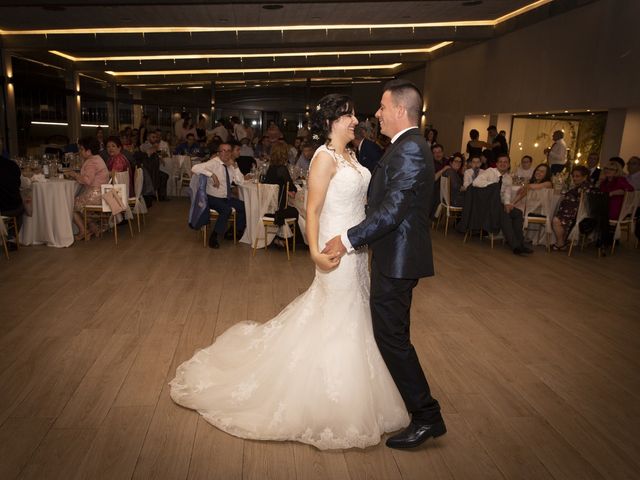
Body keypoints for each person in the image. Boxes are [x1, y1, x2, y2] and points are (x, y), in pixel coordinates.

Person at [171, 92, 410, 450]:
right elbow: (311, 210)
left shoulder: (353, 154)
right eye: (348, 115)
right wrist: (313, 251)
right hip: (333, 247)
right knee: (338, 314)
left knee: (356, 313)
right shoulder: (323, 158)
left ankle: (359, 388)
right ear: (332, 121)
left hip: (356, 249)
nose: (355, 119)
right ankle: (334, 397)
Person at [323, 80, 446, 449]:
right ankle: (416, 409)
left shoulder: (409, 149)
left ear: (399, 111)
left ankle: (427, 416)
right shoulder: (405, 146)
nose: (376, 114)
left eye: (381, 107)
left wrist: (346, 239)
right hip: (395, 254)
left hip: (398, 258)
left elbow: (392, 212)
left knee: (391, 338)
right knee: (393, 335)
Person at [473, 154, 533, 255]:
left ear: (509, 164)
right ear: (496, 164)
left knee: (518, 213)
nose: (503, 164)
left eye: (505, 162)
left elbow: (507, 194)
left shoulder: (508, 178)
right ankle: (515, 246)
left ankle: (520, 244)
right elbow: (475, 182)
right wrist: (493, 185)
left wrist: (508, 204)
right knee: (504, 213)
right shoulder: (489, 172)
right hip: (486, 205)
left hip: (499, 204)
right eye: (500, 162)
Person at [190, 142, 246, 248]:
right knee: (226, 210)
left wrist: (235, 167)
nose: (226, 153)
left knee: (244, 207)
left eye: (229, 151)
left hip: (226, 197)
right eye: (223, 151)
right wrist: (212, 175)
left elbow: (240, 182)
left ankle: (233, 232)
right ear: (218, 153)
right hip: (212, 197)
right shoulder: (213, 163)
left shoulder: (230, 165)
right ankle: (214, 236)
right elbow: (195, 168)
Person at [67, 136, 110, 240]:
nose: (80, 151)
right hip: (103, 193)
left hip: (96, 194)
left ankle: (83, 231)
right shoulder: (98, 158)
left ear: (89, 151)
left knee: (70, 205)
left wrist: (74, 175)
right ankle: (94, 228)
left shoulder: (91, 162)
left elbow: (87, 180)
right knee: (80, 205)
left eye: (81, 149)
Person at [263, 142, 299, 247]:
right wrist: (289, 189)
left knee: (291, 209)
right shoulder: (282, 169)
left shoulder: (270, 168)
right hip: (279, 208)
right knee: (297, 212)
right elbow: (293, 187)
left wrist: (285, 189)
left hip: (268, 206)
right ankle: (290, 241)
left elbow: (273, 186)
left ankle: (279, 237)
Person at [551, 166, 594, 250]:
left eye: (577, 176)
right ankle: (561, 242)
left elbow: (583, 204)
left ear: (584, 177)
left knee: (556, 220)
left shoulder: (585, 187)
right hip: (569, 212)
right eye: (573, 176)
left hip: (578, 214)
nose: (574, 178)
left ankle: (560, 243)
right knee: (555, 215)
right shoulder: (579, 186)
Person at [0, 153, 24, 247]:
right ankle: (12, 237)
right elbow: (18, 185)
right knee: (21, 205)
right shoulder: (12, 165)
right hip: (14, 208)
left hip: (2, 209)